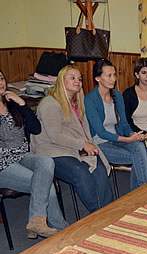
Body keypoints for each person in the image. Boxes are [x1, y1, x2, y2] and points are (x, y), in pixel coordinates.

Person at [31, 65, 113, 214]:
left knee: (99, 167)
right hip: (52, 150)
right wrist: (83, 144)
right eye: (72, 78)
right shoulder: (50, 103)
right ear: (61, 80)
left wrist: (90, 146)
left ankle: (109, 211)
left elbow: (84, 131)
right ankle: (98, 213)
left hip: (73, 147)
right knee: (81, 173)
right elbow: (54, 135)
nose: (77, 81)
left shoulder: (77, 102)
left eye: (80, 79)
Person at [0, 69, 68, 238]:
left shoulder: (11, 102)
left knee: (46, 162)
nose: (0, 82)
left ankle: (38, 222)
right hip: (3, 164)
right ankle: (60, 229)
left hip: (22, 155)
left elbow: (35, 128)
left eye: (1, 78)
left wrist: (22, 104)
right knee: (45, 185)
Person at [85, 59, 147, 190]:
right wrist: (128, 139)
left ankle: (139, 193)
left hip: (118, 139)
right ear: (98, 78)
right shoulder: (90, 100)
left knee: (139, 147)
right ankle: (143, 192)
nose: (113, 79)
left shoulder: (117, 95)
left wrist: (132, 134)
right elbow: (101, 132)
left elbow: (124, 124)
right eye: (109, 75)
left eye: (114, 75)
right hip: (100, 144)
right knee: (138, 157)